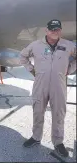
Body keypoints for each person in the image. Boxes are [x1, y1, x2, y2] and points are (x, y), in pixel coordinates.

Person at [20, 19, 76, 157]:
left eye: (57, 29)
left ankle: (58, 142)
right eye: (52, 29)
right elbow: (22, 56)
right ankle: (36, 137)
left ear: (60, 30)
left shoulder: (68, 45)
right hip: (40, 85)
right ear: (46, 30)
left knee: (59, 113)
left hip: (59, 85)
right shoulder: (36, 45)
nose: (55, 32)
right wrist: (31, 69)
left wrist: (70, 69)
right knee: (38, 111)